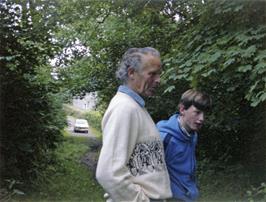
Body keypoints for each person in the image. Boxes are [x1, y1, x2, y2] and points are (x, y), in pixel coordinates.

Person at [96, 47, 172, 202]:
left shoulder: (136, 107)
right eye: (152, 74)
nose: (158, 80)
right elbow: (108, 173)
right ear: (131, 73)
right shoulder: (124, 108)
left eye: (159, 74)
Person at [157, 89, 212, 202]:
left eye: (204, 114)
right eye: (197, 112)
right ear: (182, 109)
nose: (202, 119)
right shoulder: (164, 138)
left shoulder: (192, 134)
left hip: (190, 195)